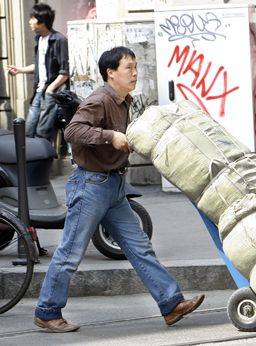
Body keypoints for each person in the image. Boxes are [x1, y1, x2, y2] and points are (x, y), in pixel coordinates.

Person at [33, 46, 205, 332]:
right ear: (111, 73)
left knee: (140, 248)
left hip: (113, 186)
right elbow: (73, 131)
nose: (135, 73)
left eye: (136, 66)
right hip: (90, 186)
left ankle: (171, 304)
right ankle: (47, 311)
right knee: (70, 253)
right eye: (129, 68)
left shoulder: (124, 101)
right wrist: (110, 136)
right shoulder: (100, 99)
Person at [7, 3, 69, 142]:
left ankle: (43, 161)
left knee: (43, 132)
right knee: (29, 129)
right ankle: (29, 160)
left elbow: (65, 71)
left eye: (33, 18)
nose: (30, 21)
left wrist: (51, 89)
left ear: (42, 21)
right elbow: (40, 66)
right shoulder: (39, 39)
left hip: (51, 92)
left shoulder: (59, 40)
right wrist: (20, 70)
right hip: (39, 91)